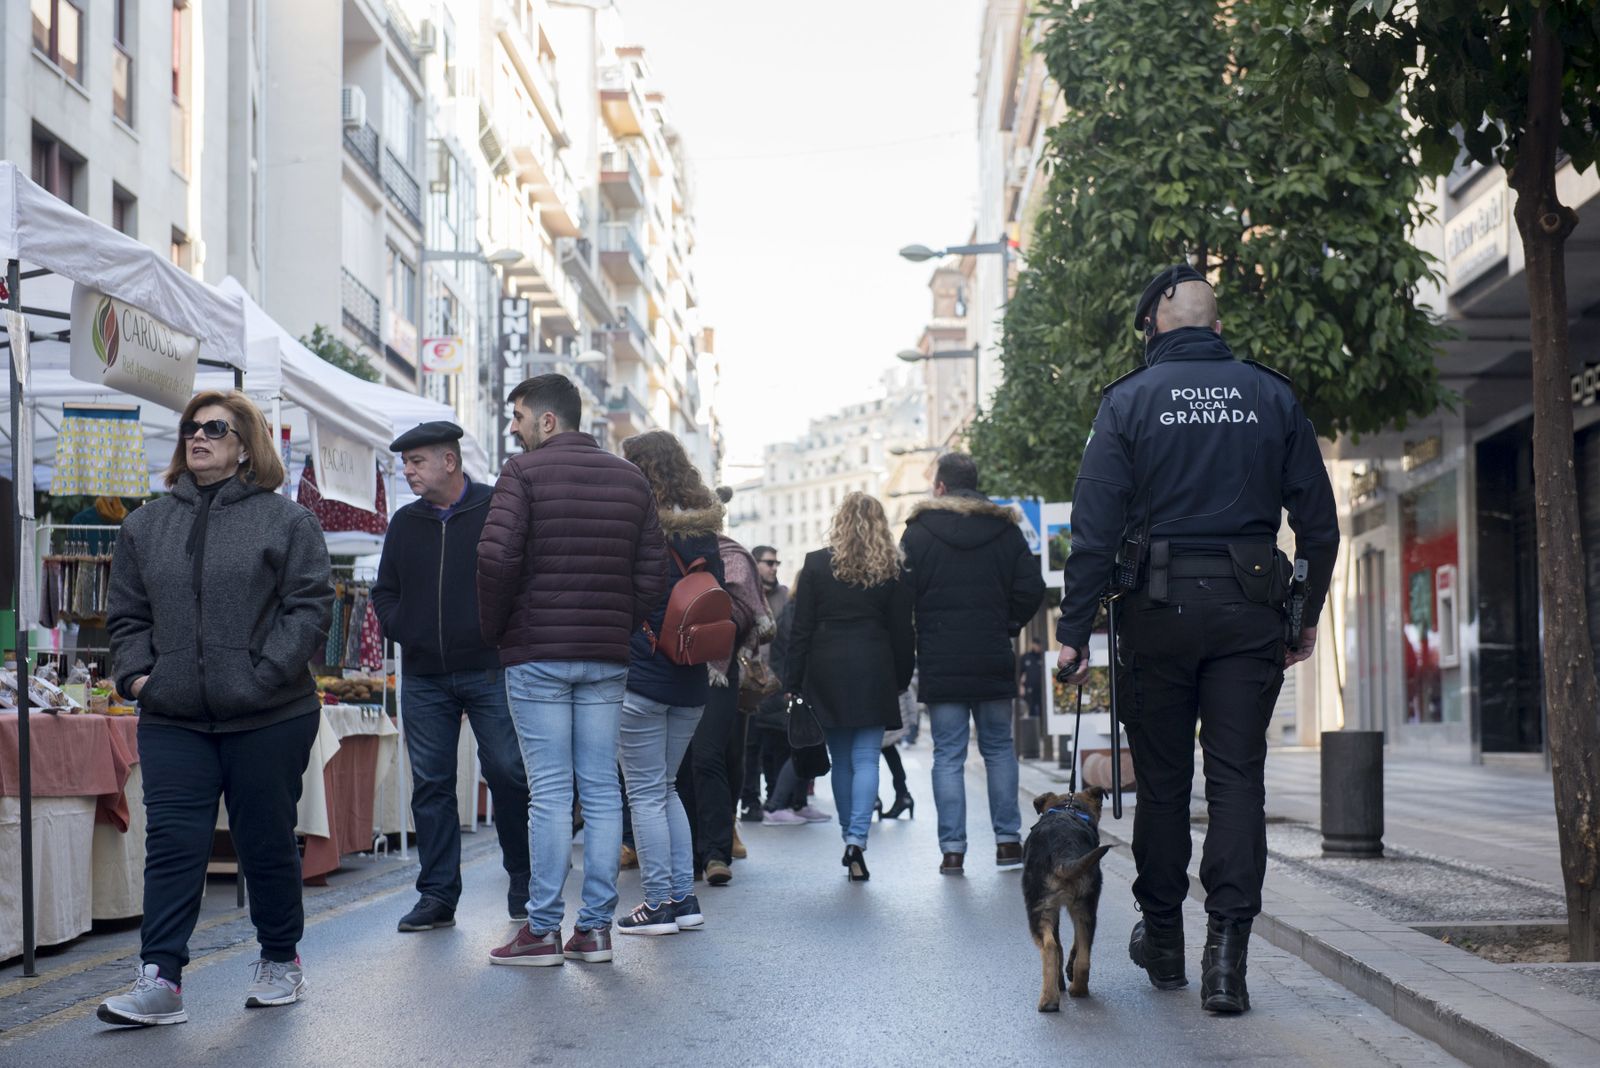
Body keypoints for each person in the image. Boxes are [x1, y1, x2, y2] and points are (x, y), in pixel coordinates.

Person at [1055, 264, 1339, 1014]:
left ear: (1153, 326)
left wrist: (1073, 630)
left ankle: (1166, 944)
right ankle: (1228, 961)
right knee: (1239, 780)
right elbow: (1318, 521)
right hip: (1250, 612)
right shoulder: (1271, 394)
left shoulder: (1127, 401)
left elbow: (1094, 529)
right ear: (1217, 327)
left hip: (1156, 611)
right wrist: (1302, 613)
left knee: (1164, 785)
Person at [100, 390, 333, 1026]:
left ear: (243, 447)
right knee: (173, 843)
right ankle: (160, 979)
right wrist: (140, 679)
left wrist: (262, 676)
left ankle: (280, 958)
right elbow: (127, 616)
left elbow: (310, 608)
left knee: (264, 843)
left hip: (269, 713)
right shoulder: (145, 525)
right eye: (191, 428)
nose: (197, 437)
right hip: (174, 715)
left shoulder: (287, 523)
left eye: (214, 429)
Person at [477, 374, 667, 967]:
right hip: (606, 656)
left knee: (552, 794)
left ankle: (540, 931)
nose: (514, 428)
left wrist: (496, 628)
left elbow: (496, 557)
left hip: (536, 653)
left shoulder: (523, 473)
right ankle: (595, 930)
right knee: (604, 792)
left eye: (518, 417)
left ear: (548, 421)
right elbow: (652, 576)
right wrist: (618, 623)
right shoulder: (632, 479)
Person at [372, 421, 530, 933]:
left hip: (488, 667)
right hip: (424, 676)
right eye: (406, 463)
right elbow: (384, 592)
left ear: (449, 461)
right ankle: (437, 895)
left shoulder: (494, 508)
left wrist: (500, 632)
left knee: (507, 772)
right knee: (432, 785)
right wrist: (405, 629)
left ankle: (524, 882)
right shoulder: (404, 522)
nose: (408, 471)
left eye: (416, 461)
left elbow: (523, 576)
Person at [900, 453, 1046, 876]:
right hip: (991, 654)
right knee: (999, 749)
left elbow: (902, 594)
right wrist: (1008, 624)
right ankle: (1007, 843)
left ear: (941, 488)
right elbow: (1030, 588)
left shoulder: (918, 533)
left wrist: (921, 630)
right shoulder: (1006, 529)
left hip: (940, 657)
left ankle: (952, 850)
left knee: (947, 754)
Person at [614, 430, 724, 935]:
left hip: (642, 675)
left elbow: (624, 600)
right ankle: (684, 899)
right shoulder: (705, 532)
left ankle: (658, 902)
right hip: (692, 678)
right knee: (667, 788)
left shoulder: (636, 527)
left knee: (644, 793)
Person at [785, 492, 914, 881]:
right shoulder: (893, 568)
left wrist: (793, 679)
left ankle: (848, 834)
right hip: (874, 666)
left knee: (841, 761)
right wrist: (901, 678)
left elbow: (800, 627)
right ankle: (857, 838)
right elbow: (902, 632)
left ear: (840, 521)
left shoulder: (816, 563)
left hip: (826, 667)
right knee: (866, 759)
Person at [740, 546, 788, 821]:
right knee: (750, 744)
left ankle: (775, 797)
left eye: (776, 562)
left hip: (777, 680)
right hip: (749, 680)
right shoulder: (747, 594)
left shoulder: (784, 596)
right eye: (768, 562)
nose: (774, 567)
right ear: (754, 564)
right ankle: (750, 800)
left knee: (778, 742)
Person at [1019, 639, 1046, 719]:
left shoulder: (1043, 656)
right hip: (1029, 689)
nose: (1037, 647)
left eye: (1039, 645)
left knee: (1043, 710)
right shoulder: (1026, 657)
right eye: (1036, 645)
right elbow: (1019, 673)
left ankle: (1041, 729)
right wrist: (1020, 686)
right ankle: (1033, 729)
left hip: (1042, 689)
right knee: (1031, 709)